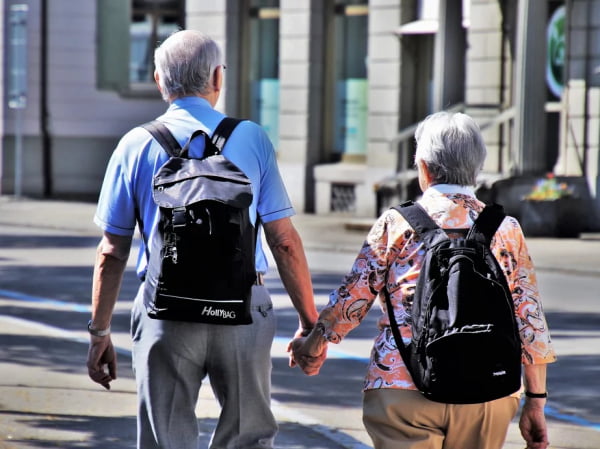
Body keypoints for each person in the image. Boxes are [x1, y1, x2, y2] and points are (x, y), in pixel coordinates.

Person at [86, 30, 319, 449]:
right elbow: (283, 240)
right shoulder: (252, 139)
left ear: (159, 81)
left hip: (165, 313)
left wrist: (99, 331)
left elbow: (112, 251)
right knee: (248, 436)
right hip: (244, 310)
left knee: (166, 437)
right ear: (217, 77)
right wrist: (309, 322)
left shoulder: (134, 145)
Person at [291, 111, 556, 449]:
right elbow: (529, 319)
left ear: (424, 168)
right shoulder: (506, 229)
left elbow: (353, 297)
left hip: (402, 386)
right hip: (487, 392)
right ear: (477, 168)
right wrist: (535, 400)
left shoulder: (396, 224)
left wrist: (314, 342)